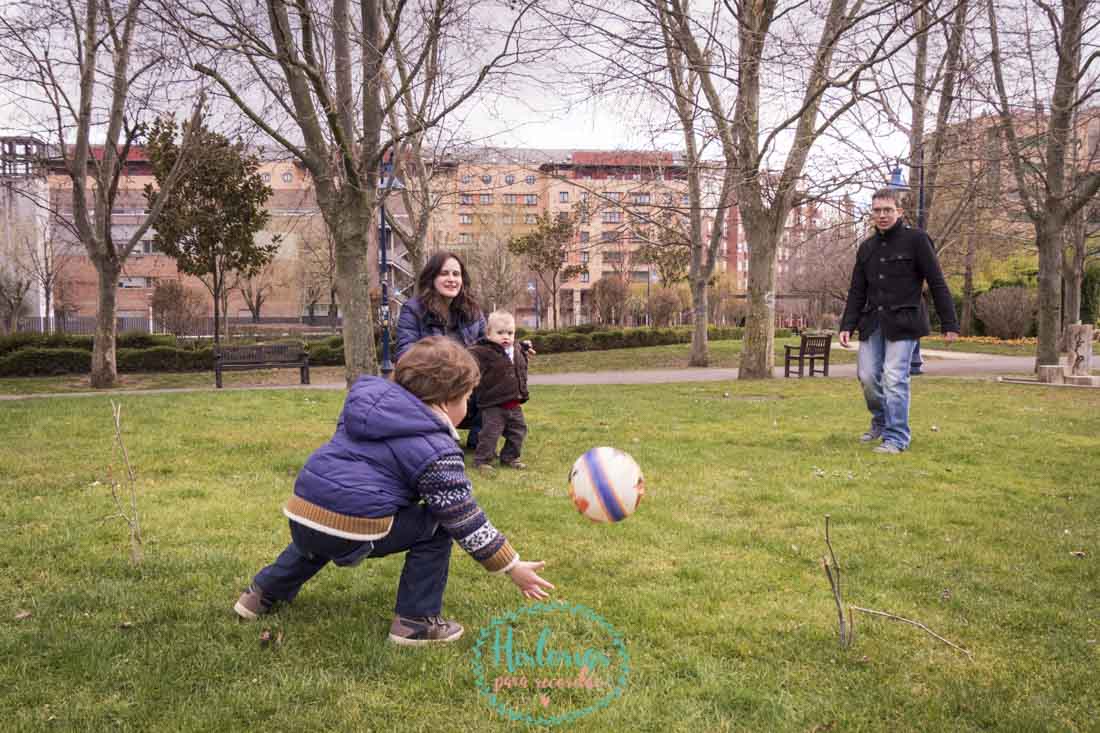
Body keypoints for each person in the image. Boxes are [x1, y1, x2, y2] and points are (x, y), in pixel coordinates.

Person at [233, 336, 554, 645]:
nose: (469, 406)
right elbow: (464, 517)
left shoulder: (364, 409)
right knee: (439, 522)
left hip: (303, 510)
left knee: (319, 536)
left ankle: (260, 595)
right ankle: (416, 622)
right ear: (445, 400)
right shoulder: (437, 450)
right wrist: (511, 565)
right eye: (467, 398)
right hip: (350, 526)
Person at [838, 188, 959, 454]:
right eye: (877, 210)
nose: (882, 215)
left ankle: (896, 437)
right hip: (873, 322)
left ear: (899, 212)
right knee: (868, 376)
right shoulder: (866, 248)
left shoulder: (917, 240)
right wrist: (847, 325)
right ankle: (881, 421)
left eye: (887, 210)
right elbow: (857, 290)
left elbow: (937, 282)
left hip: (904, 322)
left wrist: (949, 323)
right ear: (872, 213)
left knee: (894, 377)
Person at [396, 252, 487, 449]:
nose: (451, 279)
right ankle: (433, 437)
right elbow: (405, 355)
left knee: (501, 380)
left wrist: (514, 350)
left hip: (467, 384)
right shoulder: (413, 310)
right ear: (432, 278)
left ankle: (480, 442)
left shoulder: (473, 311)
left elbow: (488, 347)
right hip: (432, 383)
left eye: (456, 274)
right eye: (444, 273)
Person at [468, 311, 530, 473]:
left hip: (514, 402)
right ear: (488, 333)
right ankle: (482, 461)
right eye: (500, 333)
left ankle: (510, 457)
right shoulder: (481, 352)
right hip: (493, 404)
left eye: (510, 333)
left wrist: (524, 347)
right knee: (490, 434)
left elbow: (518, 350)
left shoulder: (515, 348)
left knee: (518, 431)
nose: (506, 337)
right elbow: (470, 358)